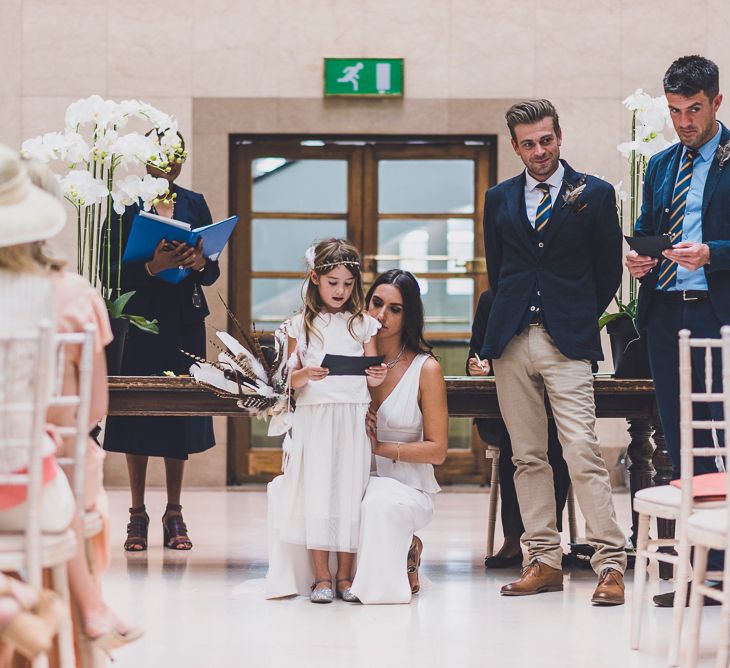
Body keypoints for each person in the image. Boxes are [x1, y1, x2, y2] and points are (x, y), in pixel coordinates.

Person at [482, 99, 627, 605]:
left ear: (559, 136)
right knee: (526, 456)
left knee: (581, 451)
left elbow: (609, 270)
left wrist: (577, 315)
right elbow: (497, 272)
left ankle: (610, 563)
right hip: (512, 340)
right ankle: (541, 560)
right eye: (528, 143)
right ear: (516, 146)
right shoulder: (498, 198)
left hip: (568, 340)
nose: (539, 150)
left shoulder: (596, 193)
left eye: (546, 139)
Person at [0, 145, 142, 655]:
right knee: (60, 491)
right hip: (47, 478)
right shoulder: (73, 293)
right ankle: (64, 616)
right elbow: (95, 407)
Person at [626, 55, 728, 607]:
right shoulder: (662, 164)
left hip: (718, 312)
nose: (684, 122)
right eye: (674, 111)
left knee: (721, 434)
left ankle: (721, 568)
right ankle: (695, 572)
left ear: (717, 101)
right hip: (666, 312)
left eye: (693, 109)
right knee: (680, 437)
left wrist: (713, 252)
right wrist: (639, 259)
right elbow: (648, 229)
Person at [102, 132, 219, 552]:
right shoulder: (124, 204)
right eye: (160, 155)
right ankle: (137, 513)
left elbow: (211, 272)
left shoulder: (194, 202)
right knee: (138, 413)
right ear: (144, 159)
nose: (168, 163)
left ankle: (174, 510)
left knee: (178, 415)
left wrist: (201, 262)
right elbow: (109, 271)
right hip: (139, 322)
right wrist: (152, 267)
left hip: (183, 321)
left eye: (176, 156)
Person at [265, 239, 387, 603]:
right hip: (315, 417)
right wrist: (306, 375)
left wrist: (376, 377)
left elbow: (371, 373)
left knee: (349, 492)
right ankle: (321, 576)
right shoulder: (297, 327)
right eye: (333, 282)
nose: (340, 290)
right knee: (317, 492)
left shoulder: (363, 325)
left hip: (351, 417)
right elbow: (284, 382)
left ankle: (346, 576)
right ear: (315, 278)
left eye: (348, 284)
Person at [348, 269, 448, 604]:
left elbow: (437, 451)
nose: (381, 315)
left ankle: (388, 581)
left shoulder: (426, 368)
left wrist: (380, 447)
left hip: (408, 488)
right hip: (355, 479)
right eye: (376, 303)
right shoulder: (348, 361)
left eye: (395, 309)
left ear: (409, 316)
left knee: (377, 505)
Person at [467, 289, 570, 568]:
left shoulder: (560, 296)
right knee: (518, 441)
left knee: (553, 441)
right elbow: (475, 353)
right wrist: (478, 366)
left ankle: (547, 536)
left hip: (552, 410)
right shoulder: (492, 300)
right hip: (500, 412)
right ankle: (514, 537)